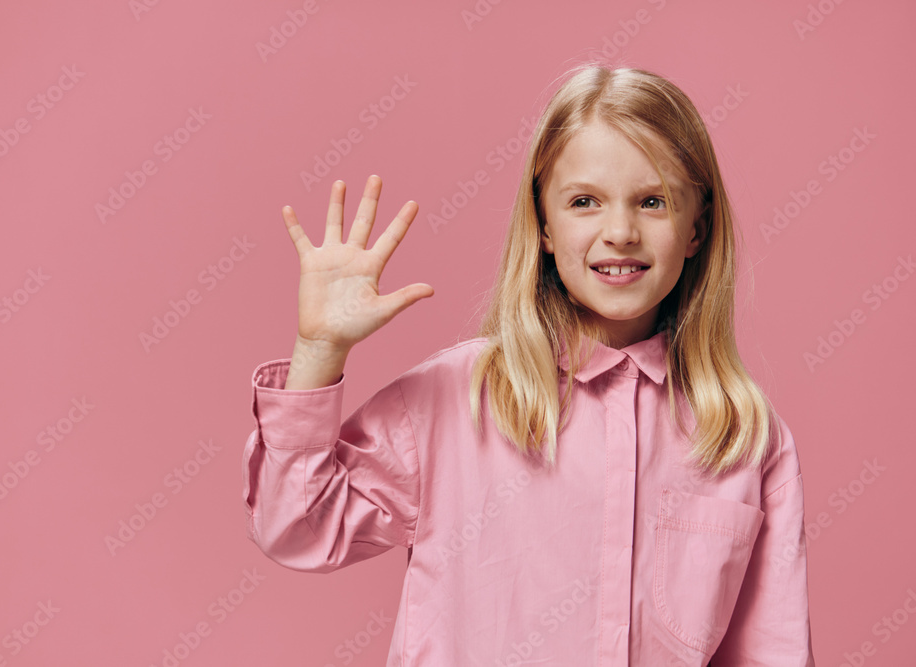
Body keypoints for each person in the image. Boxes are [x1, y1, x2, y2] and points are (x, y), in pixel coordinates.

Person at [242, 63, 815, 666]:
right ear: (543, 223)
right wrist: (319, 351)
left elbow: (771, 653)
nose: (619, 231)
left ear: (697, 228)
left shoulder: (746, 437)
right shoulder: (452, 401)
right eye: (584, 202)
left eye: (653, 201)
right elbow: (295, 529)